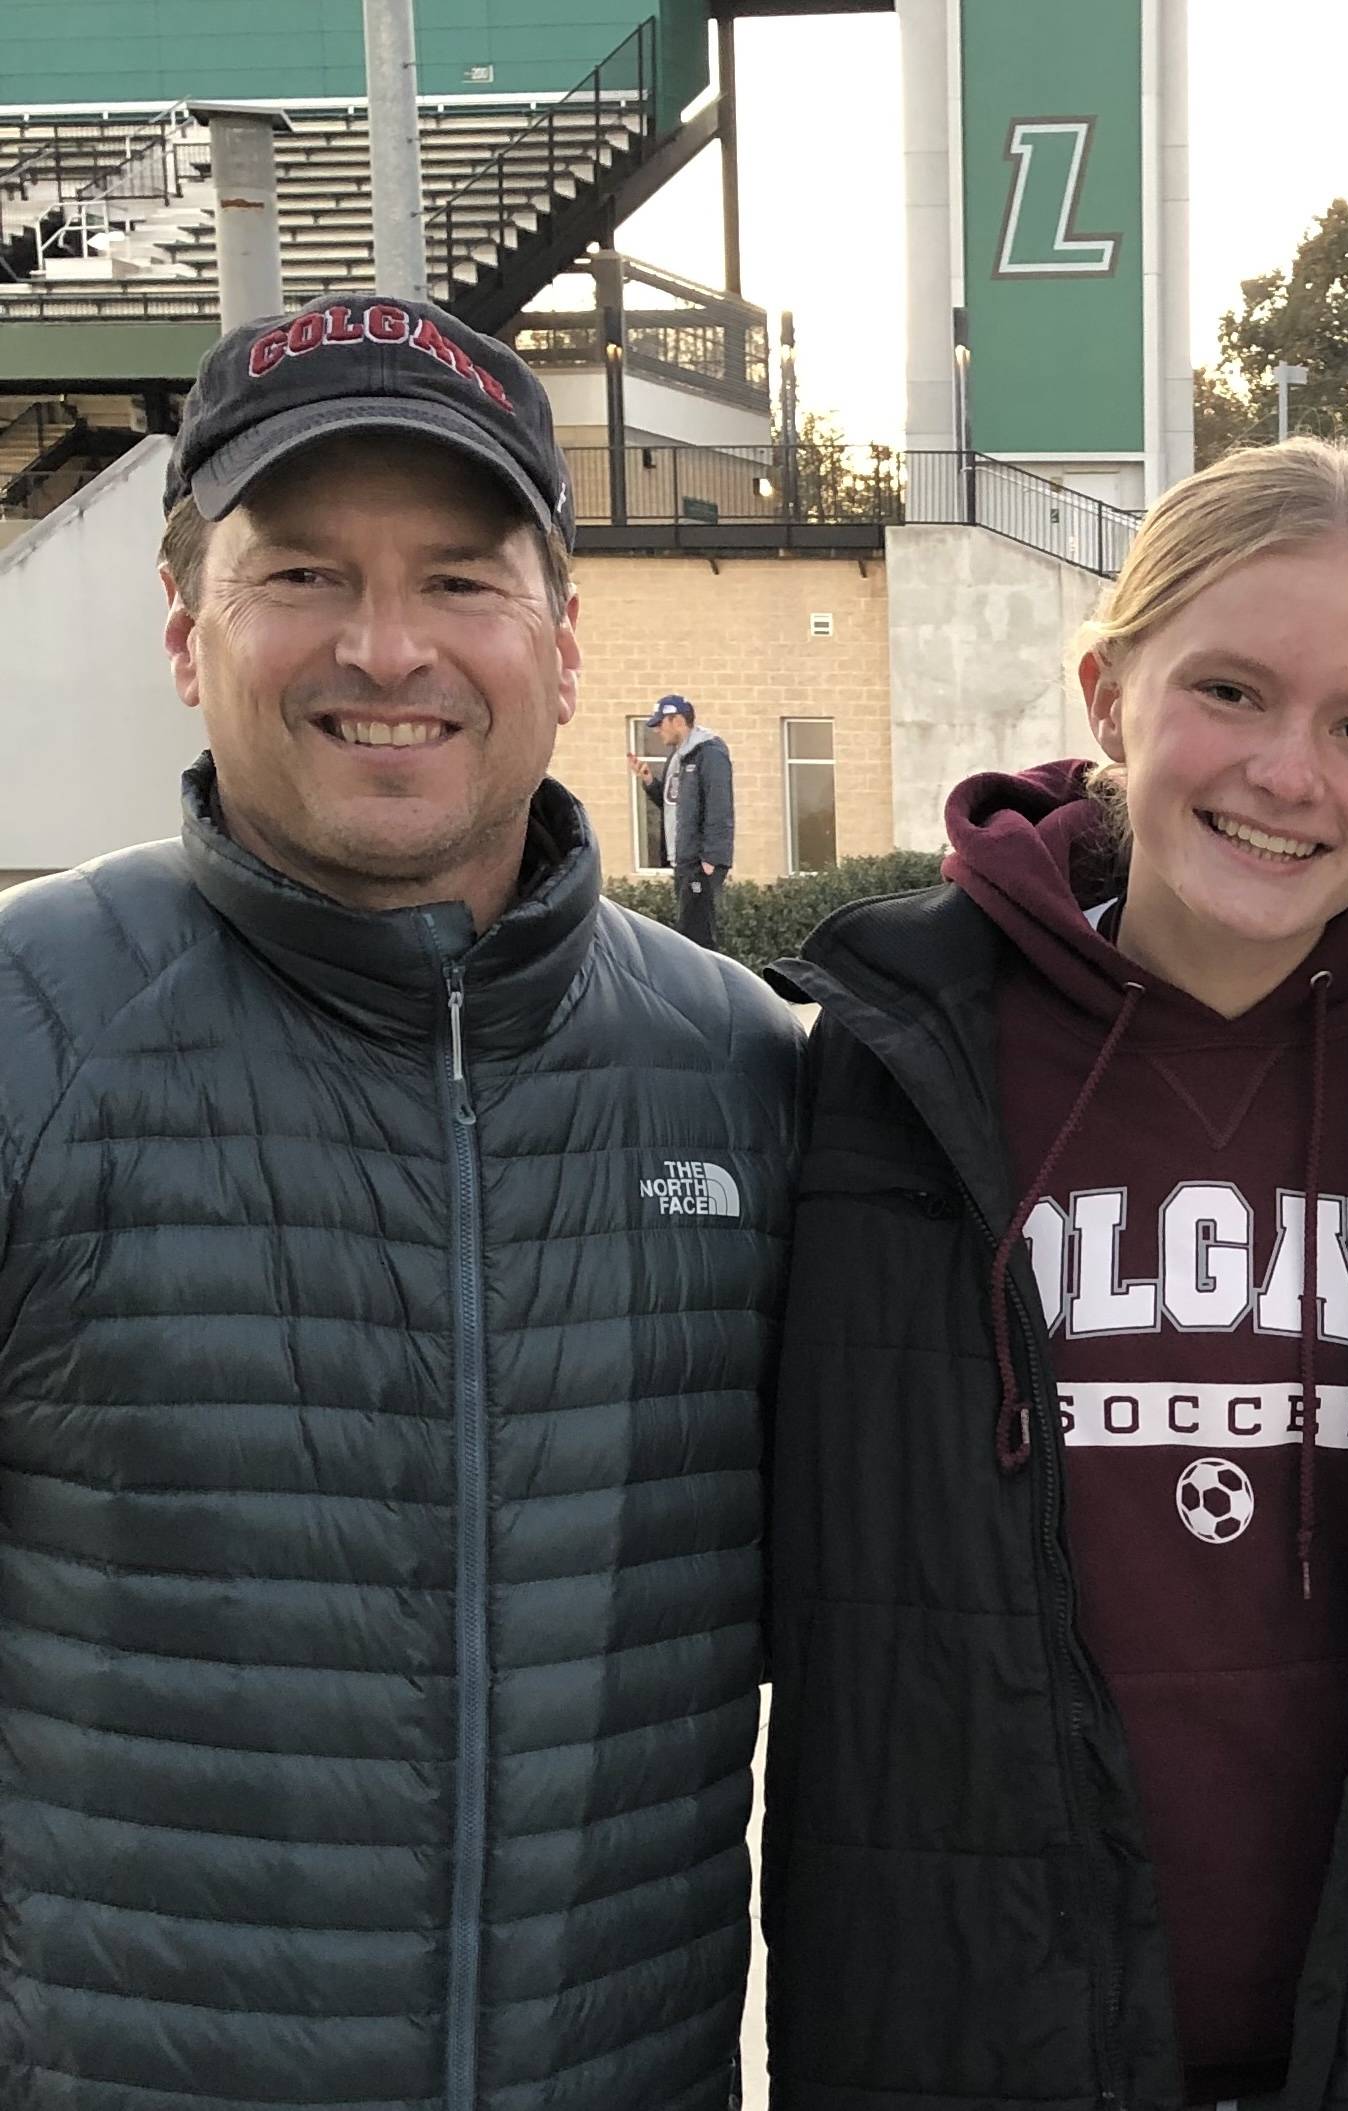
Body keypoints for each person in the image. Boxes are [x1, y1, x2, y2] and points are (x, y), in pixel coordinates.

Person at [761, 436, 1348, 2111]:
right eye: (1231, 692)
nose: (1284, 771)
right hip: (987, 2026)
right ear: (1109, 692)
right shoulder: (884, 1065)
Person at [0, 290, 798, 2106]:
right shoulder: (29, 1039)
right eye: (299, 575)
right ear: (190, 633)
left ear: (566, 644)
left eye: (458, 578)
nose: (385, 646)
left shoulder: (745, 1074)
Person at [632, 690, 735, 946]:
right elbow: (674, 806)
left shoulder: (709, 753)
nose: (657, 730)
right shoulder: (679, 757)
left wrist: (710, 859)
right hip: (684, 861)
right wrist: (649, 781)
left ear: (677, 720)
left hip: (700, 864)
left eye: (660, 724)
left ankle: (704, 985)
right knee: (689, 932)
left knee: (697, 935)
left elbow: (719, 806)